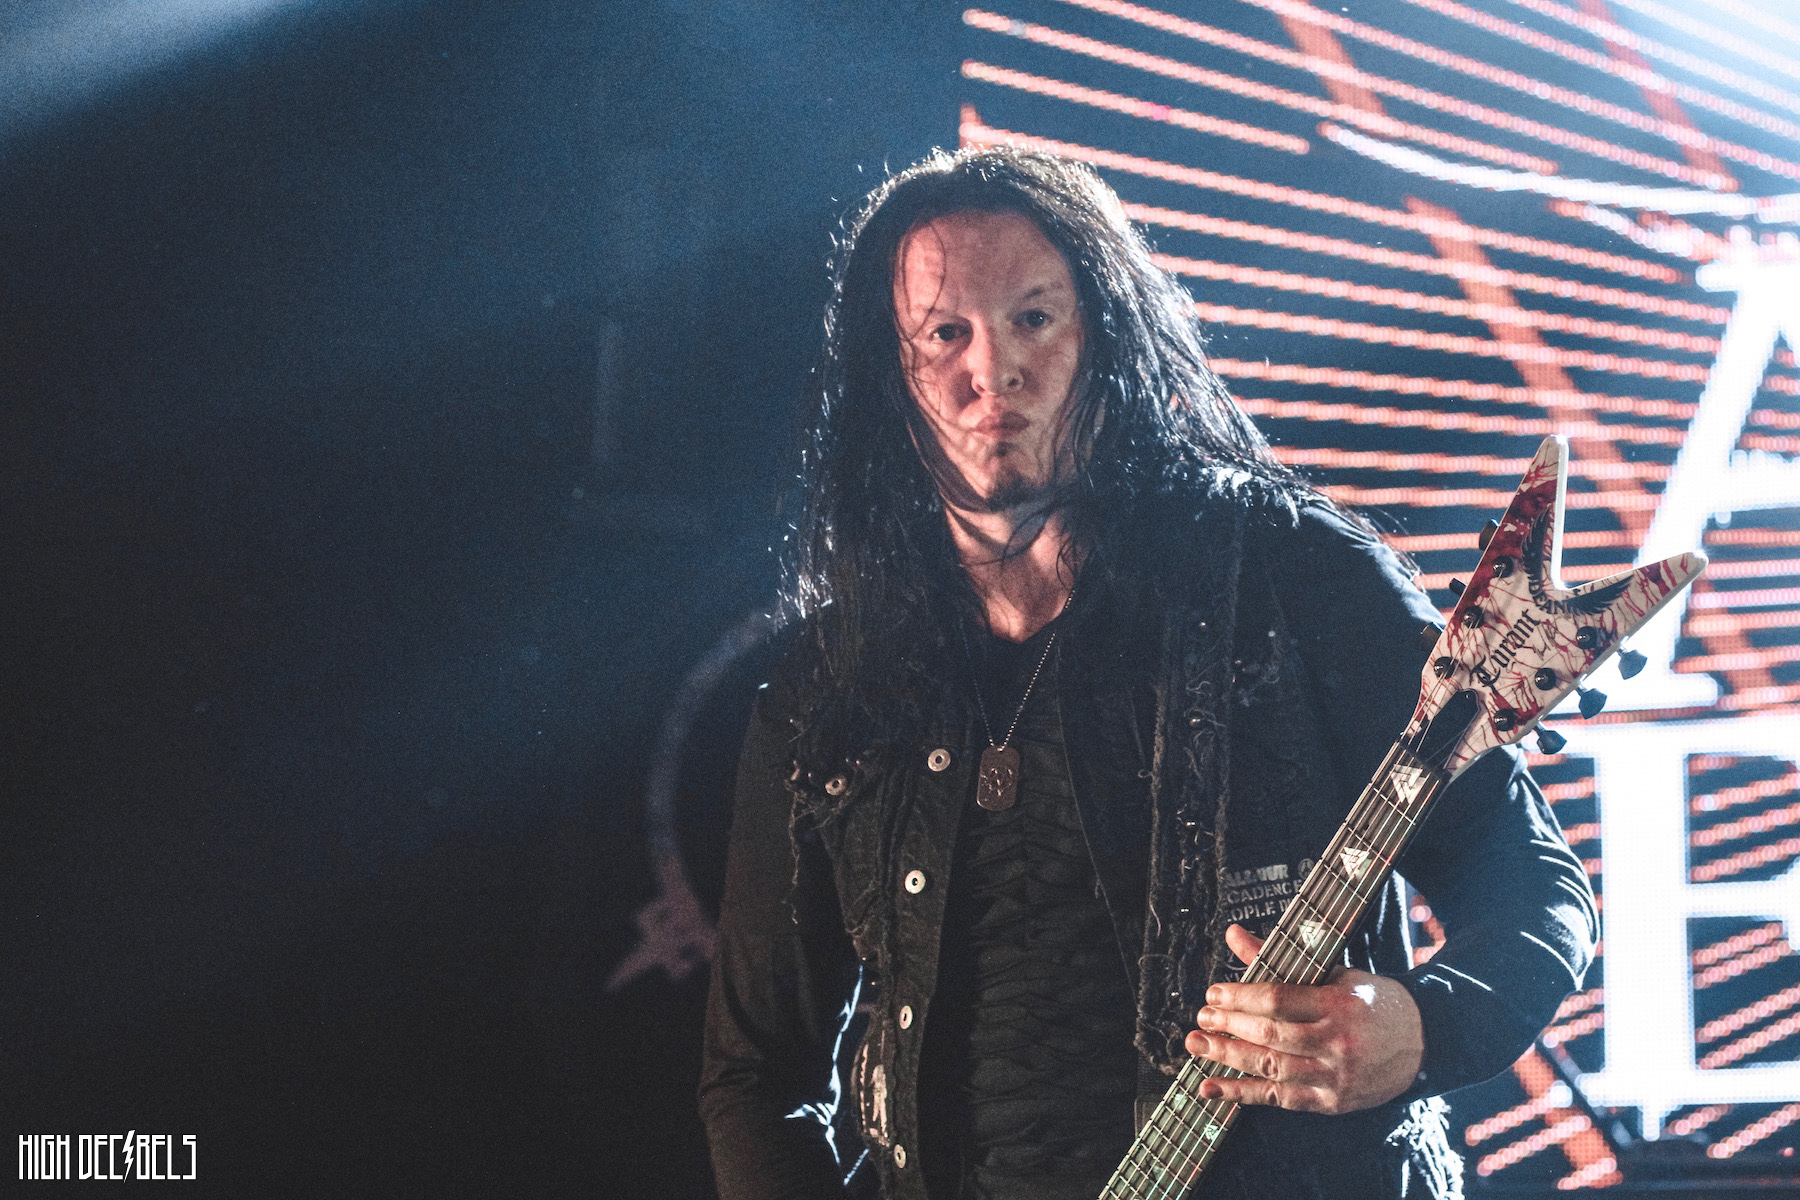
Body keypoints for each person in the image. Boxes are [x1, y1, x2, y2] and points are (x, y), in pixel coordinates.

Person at [698, 147, 1596, 1200]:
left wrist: (1419, 1030)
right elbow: (757, 1075)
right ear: (890, 371)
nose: (995, 371)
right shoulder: (832, 685)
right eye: (945, 334)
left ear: (1106, 334)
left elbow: (1531, 883)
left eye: (1035, 318)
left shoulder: (1296, 580)